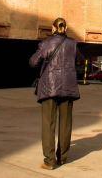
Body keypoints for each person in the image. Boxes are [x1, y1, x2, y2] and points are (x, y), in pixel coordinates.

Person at [30, 17, 80, 170]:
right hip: (68, 88)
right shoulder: (73, 44)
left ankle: (50, 161)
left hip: (49, 88)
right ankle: (63, 158)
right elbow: (80, 59)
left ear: (53, 28)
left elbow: (33, 62)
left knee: (48, 124)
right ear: (65, 28)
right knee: (66, 124)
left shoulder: (46, 43)